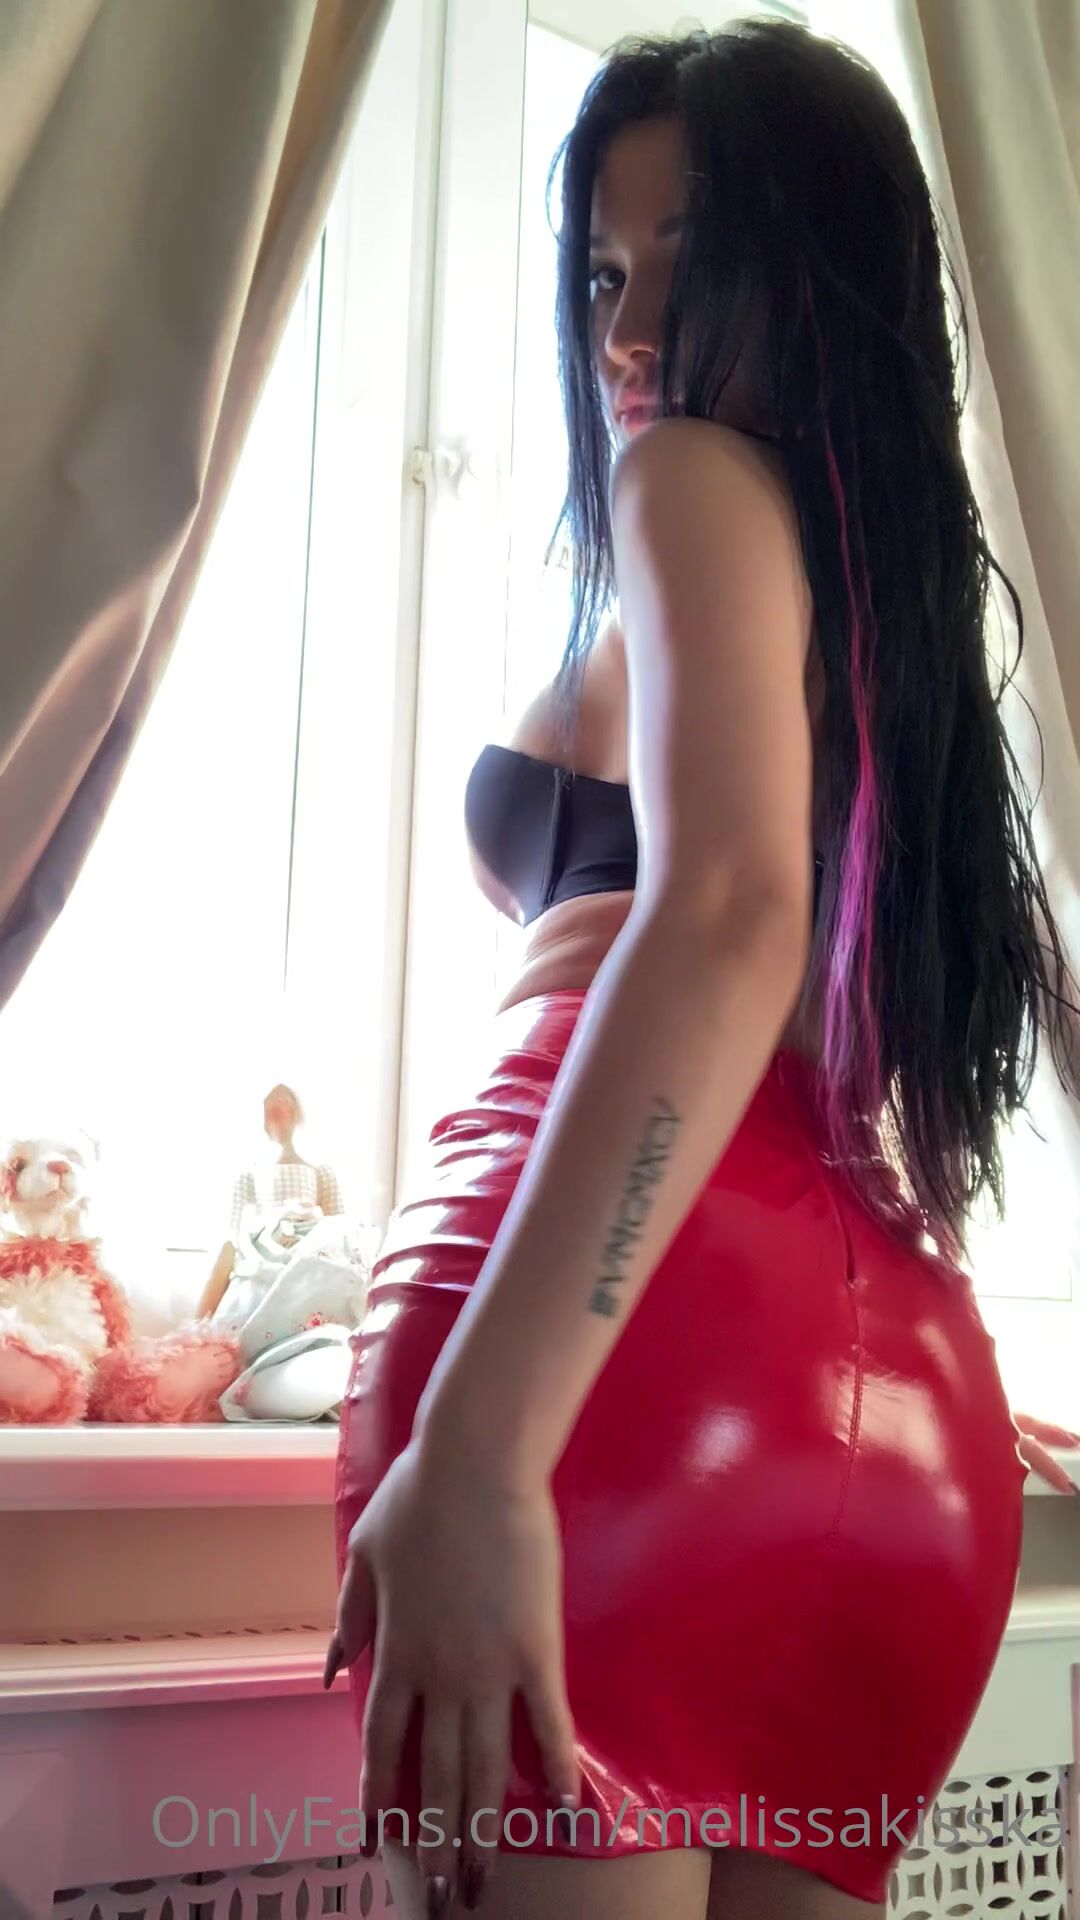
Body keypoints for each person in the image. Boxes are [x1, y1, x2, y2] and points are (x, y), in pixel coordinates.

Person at [327, 20, 1080, 1920]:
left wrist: (485, 1440)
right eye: (602, 271)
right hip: (898, 1420)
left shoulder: (687, 490)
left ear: (821, 274)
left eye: (695, 256)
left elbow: (731, 913)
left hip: (618, 1370)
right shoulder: (880, 600)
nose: (631, 331)